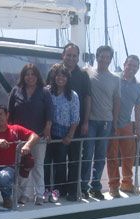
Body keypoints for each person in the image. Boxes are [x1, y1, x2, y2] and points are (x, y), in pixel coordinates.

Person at [0, 105, 39, 210]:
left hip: (10, 168)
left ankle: (6, 198)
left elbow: (35, 136)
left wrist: (27, 145)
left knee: (3, 176)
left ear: (7, 115)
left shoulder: (16, 129)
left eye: (0, 114)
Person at [7, 63, 53, 205]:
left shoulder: (44, 92)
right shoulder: (16, 91)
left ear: (37, 76)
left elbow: (50, 113)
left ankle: (39, 194)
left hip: (38, 135)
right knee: (23, 166)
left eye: (33, 74)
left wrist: (48, 129)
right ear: (23, 76)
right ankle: (24, 195)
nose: (30, 77)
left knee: (38, 165)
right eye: (27, 74)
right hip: (21, 137)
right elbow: (10, 113)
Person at [81, 45, 120, 200]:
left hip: (106, 122)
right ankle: (83, 186)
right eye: (101, 56)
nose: (104, 59)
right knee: (87, 156)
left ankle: (95, 187)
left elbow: (117, 101)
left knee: (100, 157)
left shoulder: (115, 79)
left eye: (107, 57)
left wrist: (115, 123)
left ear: (111, 59)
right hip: (90, 121)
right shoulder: (88, 73)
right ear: (96, 57)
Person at [57, 42, 90, 201]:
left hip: (76, 125)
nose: (71, 58)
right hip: (58, 126)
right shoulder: (55, 71)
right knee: (60, 159)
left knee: (75, 158)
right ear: (63, 55)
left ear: (78, 58)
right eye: (68, 55)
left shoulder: (83, 75)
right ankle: (60, 190)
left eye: (74, 55)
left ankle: (72, 190)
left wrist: (85, 122)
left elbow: (87, 98)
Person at [106, 55, 140, 197]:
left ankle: (127, 184)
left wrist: (138, 128)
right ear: (124, 64)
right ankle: (113, 186)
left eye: (135, 66)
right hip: (112, 124)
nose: (132, 68)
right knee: (112, 156)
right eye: (130, 65)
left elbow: (138, 108)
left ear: (138, 68)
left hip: (127, 124)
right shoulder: (115, 80)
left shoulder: (139, 87)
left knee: (129, 156)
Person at [44, 63, 80, 201]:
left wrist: (70, 135)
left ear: (67, 78)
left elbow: (75, 118)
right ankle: (46, 189)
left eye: (64, 75)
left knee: (60, 163)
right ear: (54, 76)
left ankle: (59, 190)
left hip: (64, 132)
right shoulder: (47, 91)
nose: (60, 78)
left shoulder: (72, 95)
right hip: (48, 130)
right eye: (58, 75)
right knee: (46, 162)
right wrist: (46, 130)